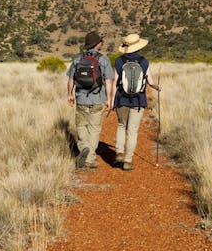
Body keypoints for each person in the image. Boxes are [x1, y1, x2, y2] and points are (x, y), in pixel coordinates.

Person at [110, 33, 161, 171]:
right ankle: (128, 161)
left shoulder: (119, 61)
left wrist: (112, 101)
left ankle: (119, 152)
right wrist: (157, 87)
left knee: (121, 126)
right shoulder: (144, 62)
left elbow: (115, 82)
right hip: (138, 101)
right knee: (132, 131)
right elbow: (150, 82)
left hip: (121, 99)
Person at [67, 31, 115, 169]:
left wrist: (69, 94)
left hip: (81, 98)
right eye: (101, 42)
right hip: (97, 99)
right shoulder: (103, 59)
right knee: (94, 129)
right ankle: (89, 159)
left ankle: (84, 148)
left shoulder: (77, 59)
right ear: (97, 44)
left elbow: (71, 79)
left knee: (81, 126)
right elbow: (109, 81)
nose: (102, 43)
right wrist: (109, 99)